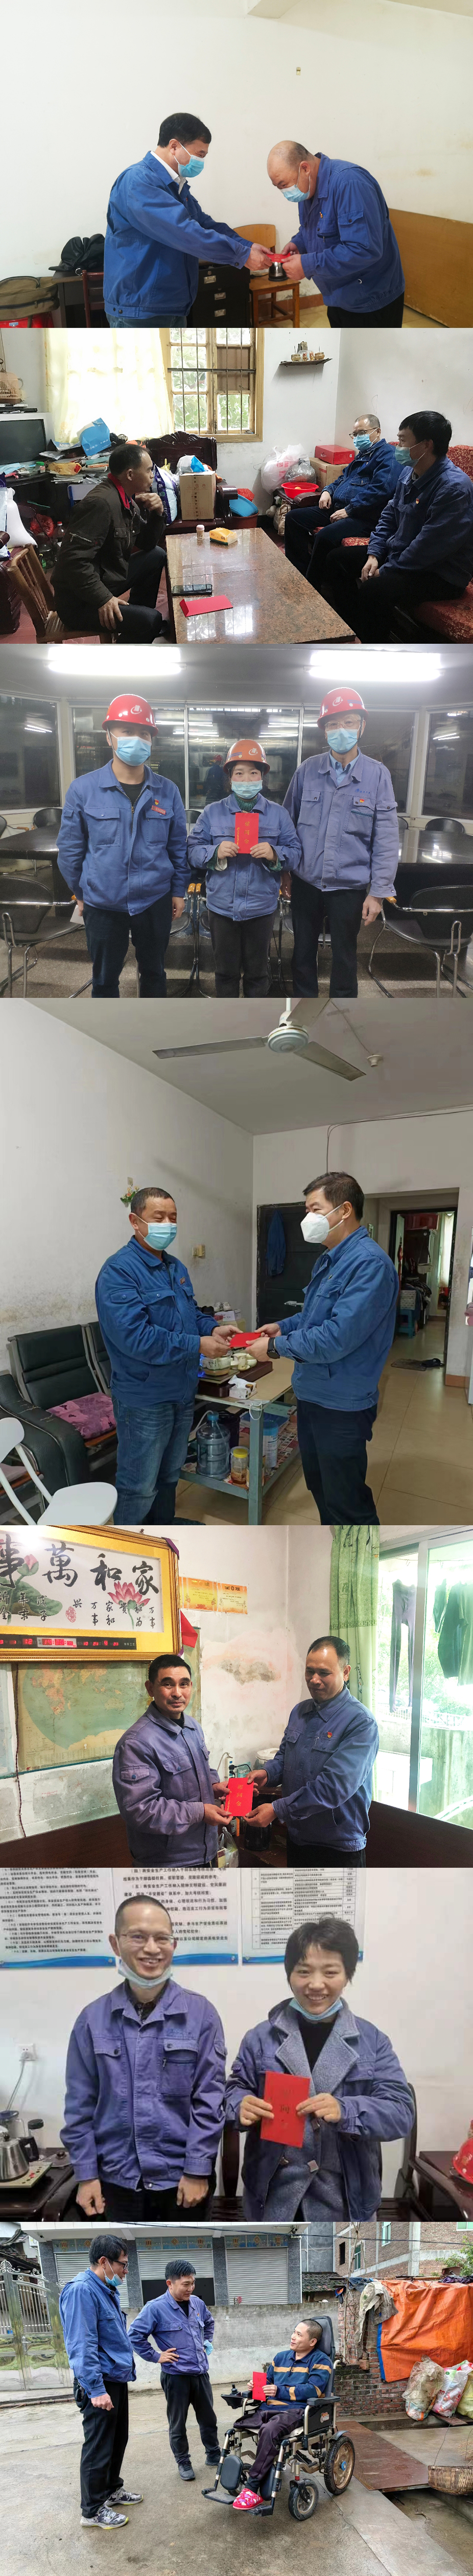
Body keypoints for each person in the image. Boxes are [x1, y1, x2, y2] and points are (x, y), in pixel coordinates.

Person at [226, 1913, 413, 2221]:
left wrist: (347, 2110)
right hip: (274, 2196)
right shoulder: (260, 2038)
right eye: (304, 1971)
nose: (316, 1984)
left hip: (345, 2201)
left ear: (347, 1975)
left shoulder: (372, 2041)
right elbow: (235, 2089)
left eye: (330, 1972)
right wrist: (239, 2105)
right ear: (290, 1975)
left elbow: (401, 2112)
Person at [61, 1894, 226, 2221]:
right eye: (138, 1936)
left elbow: (210, 2099)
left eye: (162, 1938)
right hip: (116, 2179)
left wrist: (197, 2169)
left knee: (188, 2250)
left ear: (174, 1945)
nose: (152, 1948)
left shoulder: (201, 2015)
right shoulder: (92, 2020)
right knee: (123, 2253)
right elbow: (80, 2104)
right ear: (116, 1943)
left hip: (182, 2181)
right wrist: (86, 2174)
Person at [251, 1170, 399, 1525]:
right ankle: (336, 1553)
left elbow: (335, 1337)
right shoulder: (330, 1258)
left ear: (344, 1210)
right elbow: (315, 1315)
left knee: (347, 1504)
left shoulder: (369, 1264)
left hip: (341, 1404)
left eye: (315, 1209)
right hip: (313, 1394)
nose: (307, 1219)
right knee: (320, 1487)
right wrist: (283, 1326)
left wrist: (275, 1347)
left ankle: (359, 1561)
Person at [95, 1181, 235, 1522]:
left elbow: (190, 1314)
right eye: (159, 1217)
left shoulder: (176, 1268)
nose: (168, 1225)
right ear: (135, 1221)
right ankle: (130, 1546)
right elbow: (137, 1338)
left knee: (170, 1475)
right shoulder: (119, 1272)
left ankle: (163, 1532)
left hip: (182, 1392)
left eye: (173, 1217)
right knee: (139, 1486)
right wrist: (197, 1344)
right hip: (145, 1399)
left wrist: (211, 1328)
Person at [57, 696, 189, 999]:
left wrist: (179, 890)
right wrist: (82, 893)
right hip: (103, 902)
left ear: (152, 740)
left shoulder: (168, 790)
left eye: (144, 733)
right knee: (104, 979)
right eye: (127, 731)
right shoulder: (83, 789)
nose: (136, 739)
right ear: (109, 737)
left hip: (154, 899)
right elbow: (71, 850)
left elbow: (177, 847)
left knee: (155, 973)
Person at [281, 686, 399, 998]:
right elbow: (287, 825)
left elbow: (387, 838)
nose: (341, 730)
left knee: (345, 958)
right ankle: (304, 1013)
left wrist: (378, 892)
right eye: (333, 724)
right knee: (302, 954)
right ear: (324, 730)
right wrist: (284, 870)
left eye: (349, 722)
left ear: (362, 726)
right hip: (306, 882)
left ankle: (343, 1015)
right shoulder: (308, 770)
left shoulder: (378, 775)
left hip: (349, 886)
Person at [316, 412, 473, 640]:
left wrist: (387, 569)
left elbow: (429, 547)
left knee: (374, 590)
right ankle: (350, 629)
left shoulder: (453, 488)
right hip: (402, 553)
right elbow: (389, 515)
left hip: (440, 572)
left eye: (402, 441)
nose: (398, 447)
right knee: (337, 559)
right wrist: (375, 554)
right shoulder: (410, 471)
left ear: (426, 445)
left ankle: (374, 646)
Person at [104, 113, 270, 324]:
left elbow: (205, 224)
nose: (201, 162)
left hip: (171, 303)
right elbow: (185, 232)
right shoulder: (138, 182)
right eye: (199, 154)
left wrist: (248, 246)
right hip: (141, 308)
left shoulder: (176, 186)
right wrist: (243, 255)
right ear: (174, 146)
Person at [244, 1634, 379, 1866]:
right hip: (298, 1839)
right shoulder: (300, 1712)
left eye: (324, 1673)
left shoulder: (361, 1723)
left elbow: (334, 1787)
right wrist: (267, 1773)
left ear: (346, 1673)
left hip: (337, 1848)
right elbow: (285, 1757)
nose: (314, 1680)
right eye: (310, 1671)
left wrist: (278, 1810)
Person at [187, 736, 302, 996]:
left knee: (258, 973)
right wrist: (215, 852)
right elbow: (192, 851)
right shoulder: (212, 812)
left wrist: (275, 854)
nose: (247, 779)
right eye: (239, 773)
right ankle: (230, 1019)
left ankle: (254, 1019)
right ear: (230, 778)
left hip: (261, 908)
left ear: (262, 777)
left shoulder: (279, 814)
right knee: (225, 973)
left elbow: (296, 853)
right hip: (222, 907)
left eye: (253, 773)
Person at [267, 143, 404, 326]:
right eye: (278, 187)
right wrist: (299, 243)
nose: (285, 193)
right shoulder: (308, 187)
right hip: (338, 295)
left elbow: (364, 249)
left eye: (284, 185)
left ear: (305, 168)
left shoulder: (350, 184)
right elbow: (312, 228)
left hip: (370, 300)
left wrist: (307, 265)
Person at [59, 2234, 140, 2530]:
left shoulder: (106, 2289)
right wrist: (96, 2389)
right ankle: (92, 2510)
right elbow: (82, 2345)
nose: (126, 2271)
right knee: (99, 2446)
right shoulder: (82, 2290)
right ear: (104, 2261)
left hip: (115, 2379)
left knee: (118, 2439)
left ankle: (111, 2489)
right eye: (123, 2264)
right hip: (100, 2383)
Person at [112, 1652, 223, 1865]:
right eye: (168, 1684)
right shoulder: (136, 1743)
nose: (177, 1693)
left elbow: (201, 1769)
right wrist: (199, 1812)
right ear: (150, 1688)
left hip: (206, 1849)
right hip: (168, 1862)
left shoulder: (193, 1727)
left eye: (184, 1684)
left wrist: (214, 1785)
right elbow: (140, 1810)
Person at [53, 443, 167, 641]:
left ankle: (136, 617)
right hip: (80, 602)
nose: (153, 476)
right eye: (149, 470)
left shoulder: (125, 499)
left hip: (105, 577)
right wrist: (103, 599)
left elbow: (147, 544)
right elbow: (73, 561)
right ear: (130, 475)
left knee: (156, 555)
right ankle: (130, 644)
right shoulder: (101, 504)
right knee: (151, 621)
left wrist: (158, 514)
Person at [130, 2258, 221, 2484]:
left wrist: (206, 2342)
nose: (191, 2288)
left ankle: (214, 2454)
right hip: (176, 2377)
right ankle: (184, 2462)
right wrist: (156, 2356)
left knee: (209, 2419)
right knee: (178, 2423)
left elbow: (209, 2323)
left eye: (193, 2283)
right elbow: (135, 2336)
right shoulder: (155, 2308)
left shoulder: (197, 2303)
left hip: (200, 2374)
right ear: (170, 2284)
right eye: (186, 2284)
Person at [232, 2319, 332, 2513]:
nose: (293, 2337)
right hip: (268, 2409)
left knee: (269, 2430)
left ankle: (252, 2487)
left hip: (295, 2411)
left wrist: (279, 2391)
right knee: (238, 2425)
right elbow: (267, 2383)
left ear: (312, 2342)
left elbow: (314, 2390)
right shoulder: (280, 2358)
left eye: (299, 2335)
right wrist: (255, 2387)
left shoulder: (321, 2361)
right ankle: (239, 2473)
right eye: (294, 2332)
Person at [285, 417, 404, 579]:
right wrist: (327, 491)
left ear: (378, 432)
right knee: (294, 518)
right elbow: (343, 479)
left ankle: (313, 583)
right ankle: (300, 570)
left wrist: (350, 510)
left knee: (325, 536)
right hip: (339, 508)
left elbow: (381, 490)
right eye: (355, 434)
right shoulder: (362, 455)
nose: (358, 438)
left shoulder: (388, 455)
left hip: (363, 516)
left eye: (362, 433)